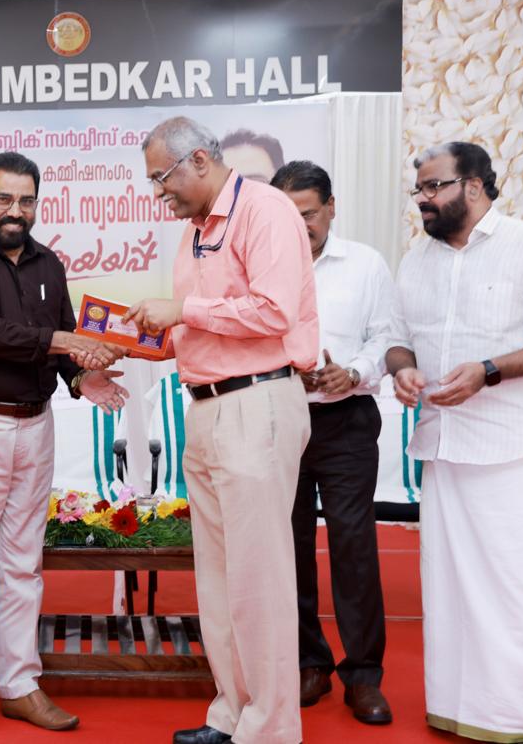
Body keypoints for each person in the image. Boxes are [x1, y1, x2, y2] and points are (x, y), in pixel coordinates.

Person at [125, 117, 318, 744]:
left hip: (256, 403)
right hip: (206, 407)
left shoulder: (265, 210)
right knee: (219, 578)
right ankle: (233, 713)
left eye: (162, 177)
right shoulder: (194, 231)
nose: (159, 192)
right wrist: (130, 341)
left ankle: (271, 728)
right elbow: (199, 329)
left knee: (260, 577)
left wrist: (180, 310)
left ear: (200, 161)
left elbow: (273, 311)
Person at [386, 142, 523, 743]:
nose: (423, 199)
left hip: (516, 447)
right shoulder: (416, 259)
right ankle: (460, 708)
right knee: (449, 588)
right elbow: (396, 337)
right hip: (444, 446)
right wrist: (402, 369)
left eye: (433, 187)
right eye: (418, 189)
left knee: (521, 587)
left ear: (473, 186)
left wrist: (489, 371)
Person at [0, 151, 129, 742]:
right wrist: (66, 341)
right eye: (3, 199)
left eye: (25, 200)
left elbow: (60, 346)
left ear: (37, 204)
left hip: (36, 425)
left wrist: (81, 376)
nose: (15, 211)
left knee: (23, 563)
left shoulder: (49, 263)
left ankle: (19, 686)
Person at [271, 162, 394, 725]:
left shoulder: (366, 264)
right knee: (289, 547)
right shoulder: (262, 265)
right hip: (280, 418)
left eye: (310, 213)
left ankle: (363, 676)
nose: (301, 225)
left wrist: (355, 371)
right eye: (289, 214)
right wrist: (283, 372)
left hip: (347, 421)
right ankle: (308, 663)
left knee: (353, 546)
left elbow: (386, 336)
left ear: (332, 208)